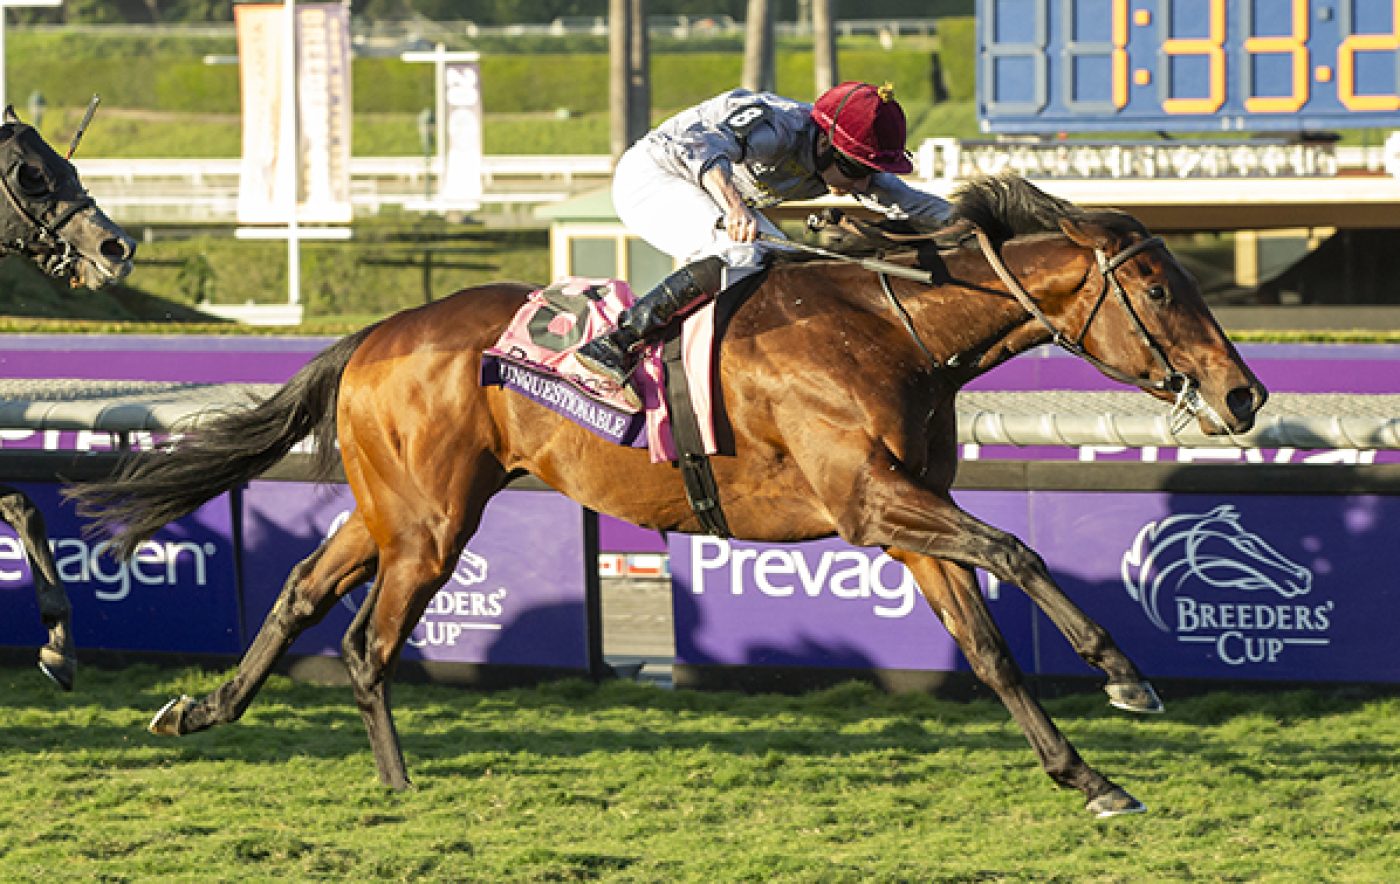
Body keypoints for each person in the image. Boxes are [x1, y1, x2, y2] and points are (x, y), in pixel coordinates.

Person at [575, 80, 955, 410]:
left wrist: (993, 221)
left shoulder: (843, 163)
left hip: (704, 189)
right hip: (653, 176)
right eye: (857, 169)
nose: (861, 185)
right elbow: (703, 147)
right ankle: (618, 341)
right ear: (825, 142)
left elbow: (915, 204)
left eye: (872, 171)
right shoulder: (775, 125)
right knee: (739, 251)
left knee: (793, 269)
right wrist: (735, 206)